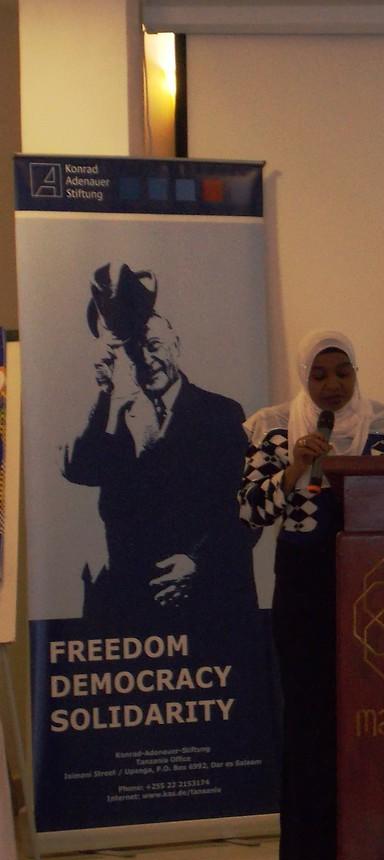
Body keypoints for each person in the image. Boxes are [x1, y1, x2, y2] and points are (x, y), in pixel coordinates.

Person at [239, 329, 384, 860]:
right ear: (304, 378)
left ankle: (382, 845)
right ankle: (314, 859)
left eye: (343, 372)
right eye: (319, 375)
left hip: (377, 588)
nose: (332, 385)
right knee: (310, 716)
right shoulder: (274, 428)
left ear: (356, 374)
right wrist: (294, 468)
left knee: (376, 713)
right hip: (304, 588)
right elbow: (251, 511)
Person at [61, 263, 256, 626]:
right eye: (135, 352)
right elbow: (78, 469)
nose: (146, 360)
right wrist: (106, 393)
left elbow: (242, 507)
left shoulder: (222, 414)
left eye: (154, 347)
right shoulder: (116, 415)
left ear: (176, 346)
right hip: (132, 610)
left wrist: (197, 562)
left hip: (206, 604)